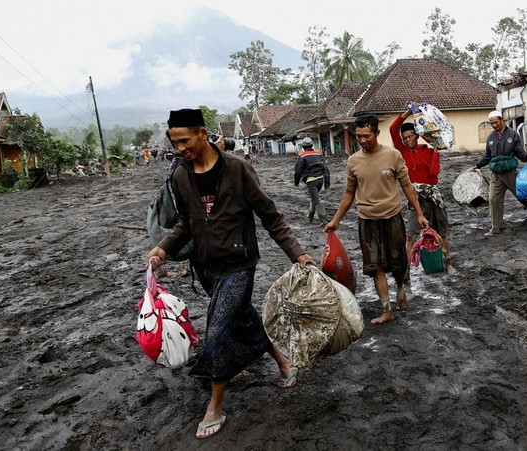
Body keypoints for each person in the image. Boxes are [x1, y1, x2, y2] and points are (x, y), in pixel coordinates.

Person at [145, 108, 315, 440]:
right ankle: (283, 361)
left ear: (202, 133)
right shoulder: (181, 176)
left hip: (239, 265)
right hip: (206, 267)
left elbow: (270, 215)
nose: (180, 148)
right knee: (243, 316)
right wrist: (162, 249)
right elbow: (186, 223)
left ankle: (215, 405)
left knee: (218, 330)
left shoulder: (237, 168)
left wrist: (298, 253)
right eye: (175, 143)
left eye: (184, 140)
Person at [324, 114, 429, 324]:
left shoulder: (393, 155)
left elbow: (407, 186)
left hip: (392, 218)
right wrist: (335, 220)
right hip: (367, 221)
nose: (362, 140)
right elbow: (349, 193)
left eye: (367, 136)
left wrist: (419, 213)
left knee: (398, 263)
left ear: (377, 133)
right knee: (375, 267)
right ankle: (386, 309)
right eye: (358, 136)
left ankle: (400, 288)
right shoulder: (353, 161)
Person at [390, 104, 456, 275]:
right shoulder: (401, 152)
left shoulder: (428, 151)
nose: (407, 140)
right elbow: (393, 128)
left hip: (433, 196)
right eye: (404, 138)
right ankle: (406, 271)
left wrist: (436, 152)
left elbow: (434, 173)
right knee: (411, 234)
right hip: (415, 198)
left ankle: (448, 261)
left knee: (442, 232)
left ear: (417, 136)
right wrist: (409, 111)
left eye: (410, 136)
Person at [473, 110, 527, 237]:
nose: (494, 125)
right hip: (495, 174)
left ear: (502, 120)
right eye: (491, 123)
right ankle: (495, 228)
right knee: (493, 200)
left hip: (510, 173)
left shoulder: (513, 134)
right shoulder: (490, 138)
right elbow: (487, 156)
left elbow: (519, 152)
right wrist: (478, 165)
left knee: (520, 194)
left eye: (496, 122)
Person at [293, 137, 331, 225]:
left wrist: (296, 182)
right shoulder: (319, 154)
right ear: (312, 145)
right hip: (320, 180)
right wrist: (327, 183)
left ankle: (325, 222)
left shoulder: (302, 156)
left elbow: (298, 171)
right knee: (314, 198)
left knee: (316, 200)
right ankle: (310, 217)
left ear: (303, 147)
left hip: (311, 181)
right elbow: (326, 169)